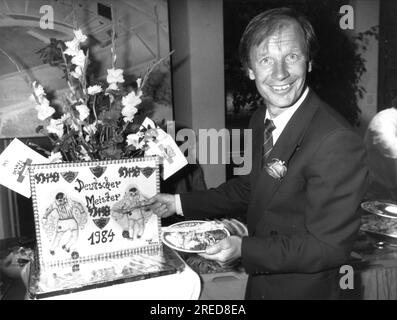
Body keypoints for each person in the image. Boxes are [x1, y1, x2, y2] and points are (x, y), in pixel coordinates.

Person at [146, 7, 369, 299]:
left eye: (292, 56)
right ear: (250, 69)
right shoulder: (261, 118)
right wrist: (176, 203)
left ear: (309, 62)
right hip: (264, 285)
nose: (280, 73)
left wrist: (244, 248)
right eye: (266, 59)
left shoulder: (336, 140)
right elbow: (253, 186)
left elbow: (329, 247)